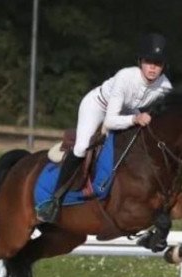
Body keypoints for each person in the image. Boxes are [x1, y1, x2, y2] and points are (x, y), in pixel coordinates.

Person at [37, 33, 173, 223]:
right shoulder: (125, 77)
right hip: (98, 107)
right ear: (140, 62)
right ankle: (54, 199)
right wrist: (135, 118)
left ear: (164, 66)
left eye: (158, 64)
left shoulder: (166, 87)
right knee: (82, 147)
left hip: (128, 111)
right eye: (149, 62)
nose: (152, 67)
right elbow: (109, 122)